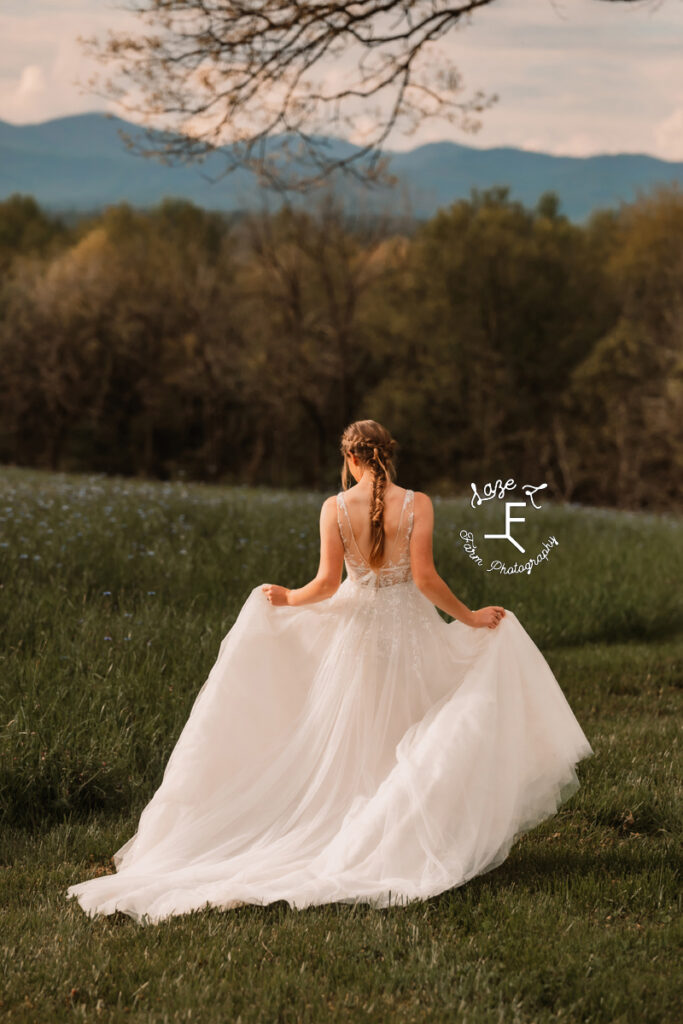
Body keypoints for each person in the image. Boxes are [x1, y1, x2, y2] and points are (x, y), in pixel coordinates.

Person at [66, 419, 593, 925]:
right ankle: (401, 830)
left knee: (359, 741)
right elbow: (428, 580)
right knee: (412, 726)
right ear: (388, 453)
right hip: (411, 633)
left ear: (350, 457)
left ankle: (362, 827)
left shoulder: (336, 508)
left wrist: (286, 598)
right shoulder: (420, 504)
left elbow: (323, 584)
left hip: (358, 634)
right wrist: (473, 617)